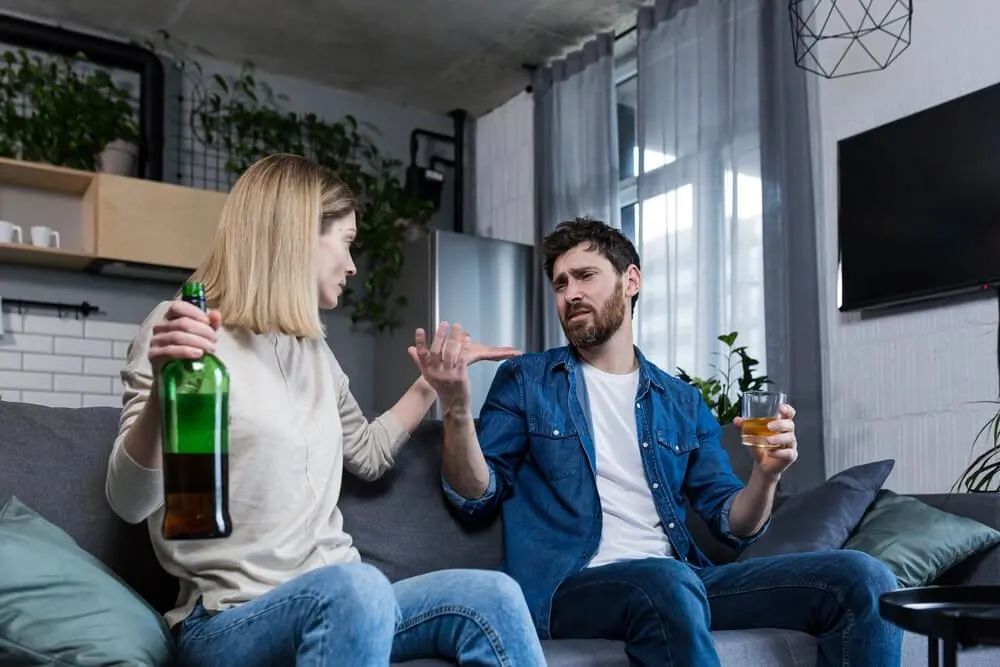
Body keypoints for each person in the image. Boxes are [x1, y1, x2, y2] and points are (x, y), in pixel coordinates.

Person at [105, 153, 548, 667]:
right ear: (297, 235)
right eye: (347, 242)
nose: (353, 264)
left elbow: (367, 453)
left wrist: (433, 385)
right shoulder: (184, 330)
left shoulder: (311, 350)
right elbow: (128, 501)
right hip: (231, 620)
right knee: (357, 589)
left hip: (349, 600)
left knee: (492, 596)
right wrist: (165, 391)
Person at [413, 217, 903, 667]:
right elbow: (476, 495)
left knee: (863, 578)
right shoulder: (526, 380)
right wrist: (456, 409)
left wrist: (766, 475)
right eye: (561, 283)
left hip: (681, 580)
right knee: (664, 580)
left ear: (631, 281)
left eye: (585, 276)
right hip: (570, 586)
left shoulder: (680, 400)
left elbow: (733, 523)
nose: (570, 294)